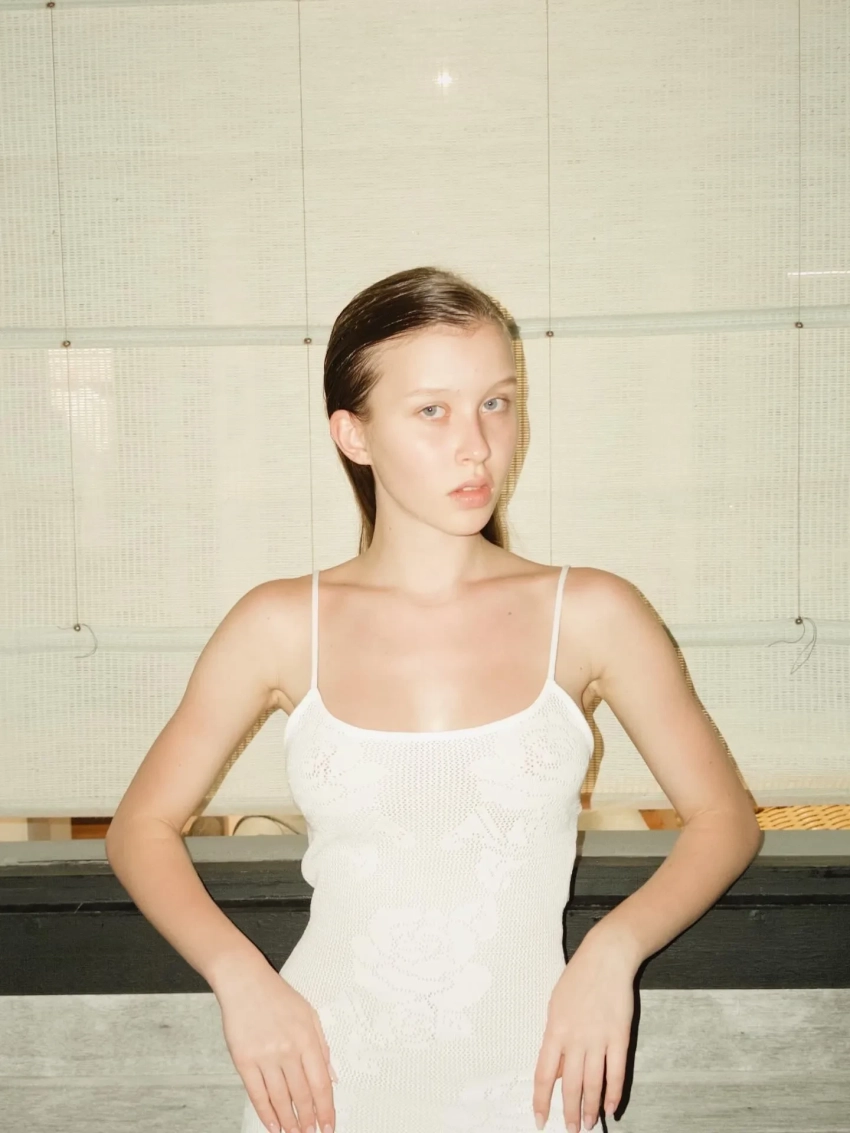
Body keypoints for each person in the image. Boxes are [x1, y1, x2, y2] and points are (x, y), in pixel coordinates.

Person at [105, 266, 762, 1133]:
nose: (477, 445)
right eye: (432, 410)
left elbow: (725, 817)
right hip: (324, 1082)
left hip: (534, 1079)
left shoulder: (593, 613)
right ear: (354, 434)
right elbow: (139, 827)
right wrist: (241, 977)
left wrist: (613, 950)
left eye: (496, 402)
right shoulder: (278, 624)